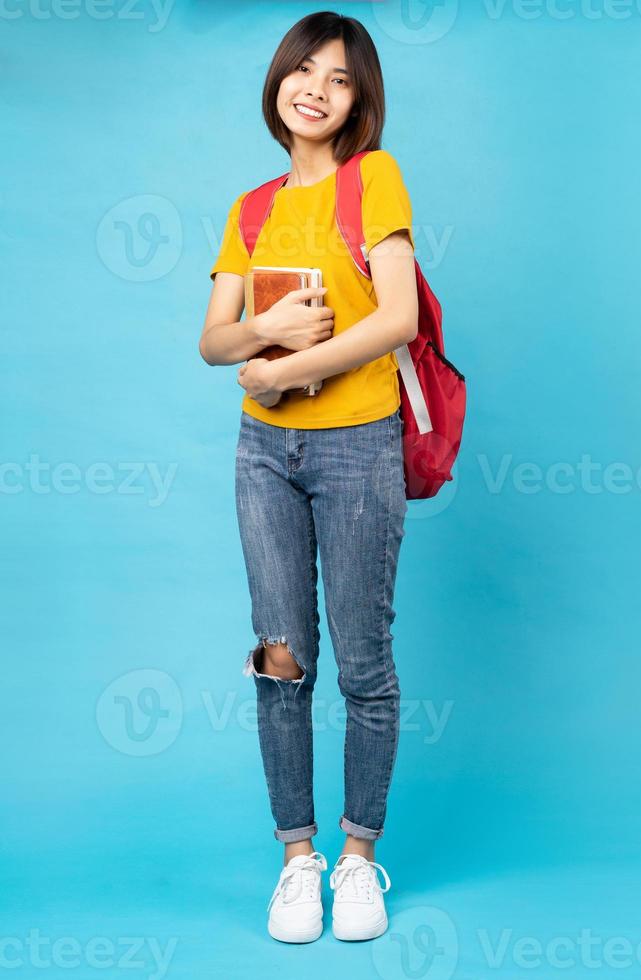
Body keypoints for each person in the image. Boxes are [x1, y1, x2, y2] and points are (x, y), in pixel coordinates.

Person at [199, 10, 418, 944]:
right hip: (263, 453)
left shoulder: (372, 179)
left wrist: (286, 368)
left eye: (337, 76)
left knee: (363, 662)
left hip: (358, 444)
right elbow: (213, 342)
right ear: (278, 83)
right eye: (302, 69)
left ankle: (360, 857)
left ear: (357, 99)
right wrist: (268, 337)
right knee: (281, 658)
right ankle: (298, 860)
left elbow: (399, 315)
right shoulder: (250, 208)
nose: (315, 87)